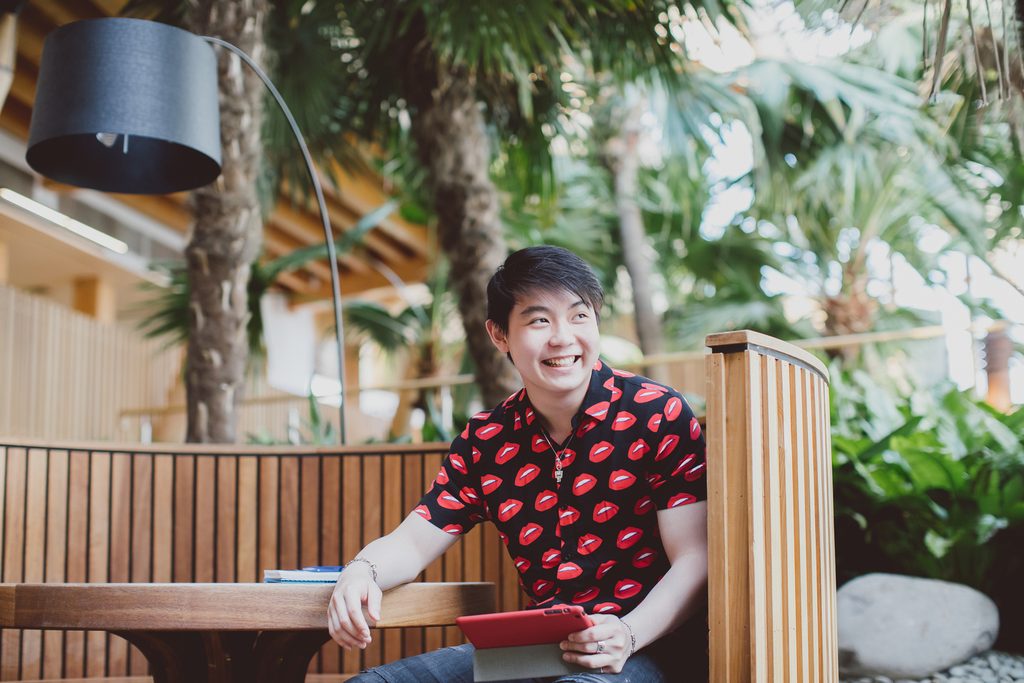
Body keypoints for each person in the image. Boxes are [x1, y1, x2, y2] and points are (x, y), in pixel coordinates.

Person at [328, 246, 708, 682]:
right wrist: (360, 572)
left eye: (579, 316)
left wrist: (629, 633)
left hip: (651, 646)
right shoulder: (486, 440)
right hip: (536, 652)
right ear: (500, 335)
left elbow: (696, 557)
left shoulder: (654, 413)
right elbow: (413, 543)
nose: (563, 337)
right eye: (539, 320)